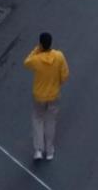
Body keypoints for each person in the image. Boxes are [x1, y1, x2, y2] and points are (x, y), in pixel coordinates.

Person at [24, 32, 69, 163]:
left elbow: (26, 62)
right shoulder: (59, 56)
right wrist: (57, 83)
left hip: (39, 96)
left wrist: (36, 49)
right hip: (53, 95)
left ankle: (38, 149)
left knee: (38, 119)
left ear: (41, 44)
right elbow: (65, 75)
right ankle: (49, 151)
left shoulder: (36, 60)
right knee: (50, 121)